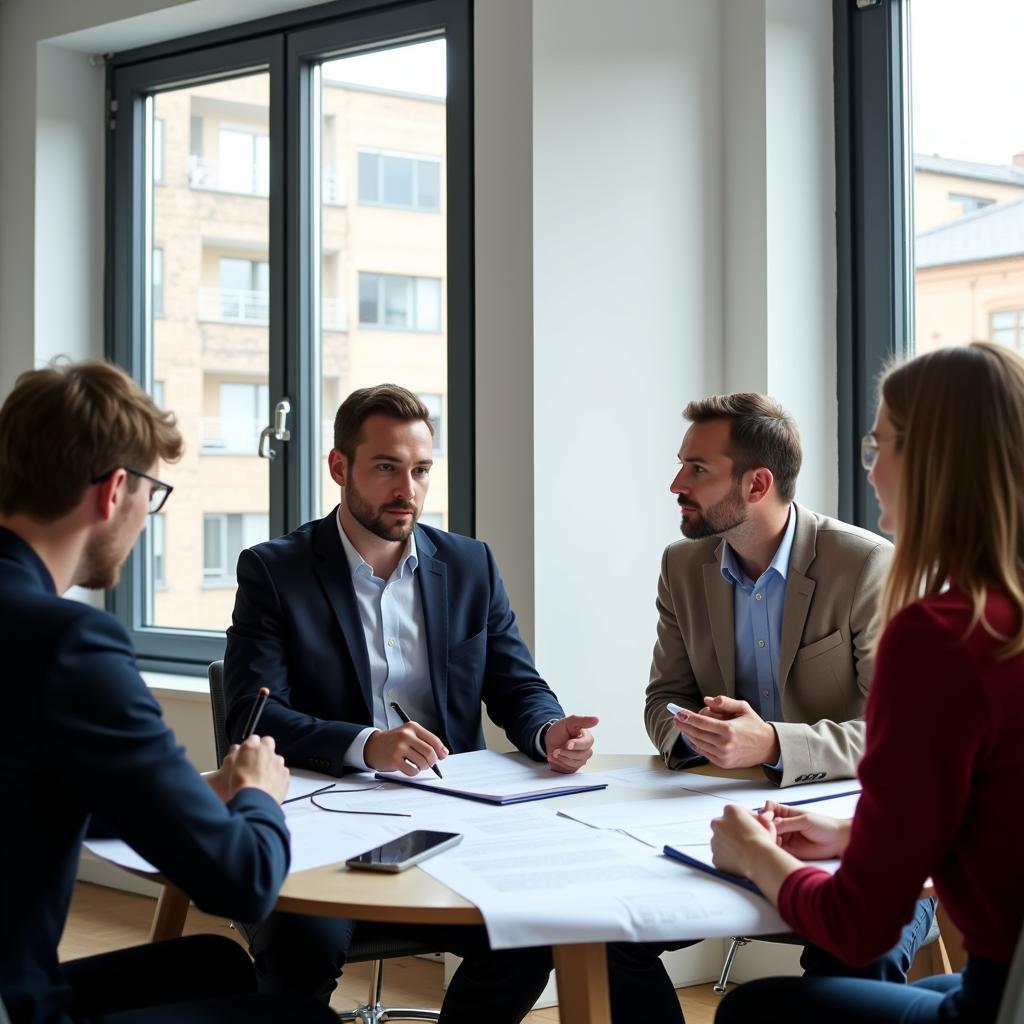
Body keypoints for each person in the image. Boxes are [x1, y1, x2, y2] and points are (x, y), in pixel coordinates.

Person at [223, 383, 598, 1020]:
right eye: (387, 467)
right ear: (339, 468)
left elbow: (515, 684)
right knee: (299, 949)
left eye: (421, 470)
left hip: (451, 818)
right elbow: (251, 718)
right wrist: (366, 744)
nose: (409, 489)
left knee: (533, 931)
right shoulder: (274, 571)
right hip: (322, 824)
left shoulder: (470, 563)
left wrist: (547, 731)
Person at [0, 361, 336, 1024]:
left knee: (212, 966)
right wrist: (257, 795)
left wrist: (193, 793)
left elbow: (26, 787)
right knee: (301, 1020)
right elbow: (243, 883)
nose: (146, 518)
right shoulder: (71, 643)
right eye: (152, 495)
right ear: (115, 490)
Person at [711, 342, 1024, 1023]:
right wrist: (855, 834)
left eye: (881, 446)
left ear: (936, 463)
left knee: (752, 1012)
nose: (874, 471)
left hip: (1002, 1001)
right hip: (1008, 984)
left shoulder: (942, 636)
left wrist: (756, 854)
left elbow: (861, 926)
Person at [607, 393, 933, 1022]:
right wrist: (694, 737)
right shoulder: (681, 566)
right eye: (682, 465)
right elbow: (661, 699)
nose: (676, 483)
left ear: (757, 483)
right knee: (612, 931)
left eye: (697, 469)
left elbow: (896, 739)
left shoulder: (866, 565)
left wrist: (774, 744)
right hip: (715, 819)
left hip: (851, 828)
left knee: (861, 951)